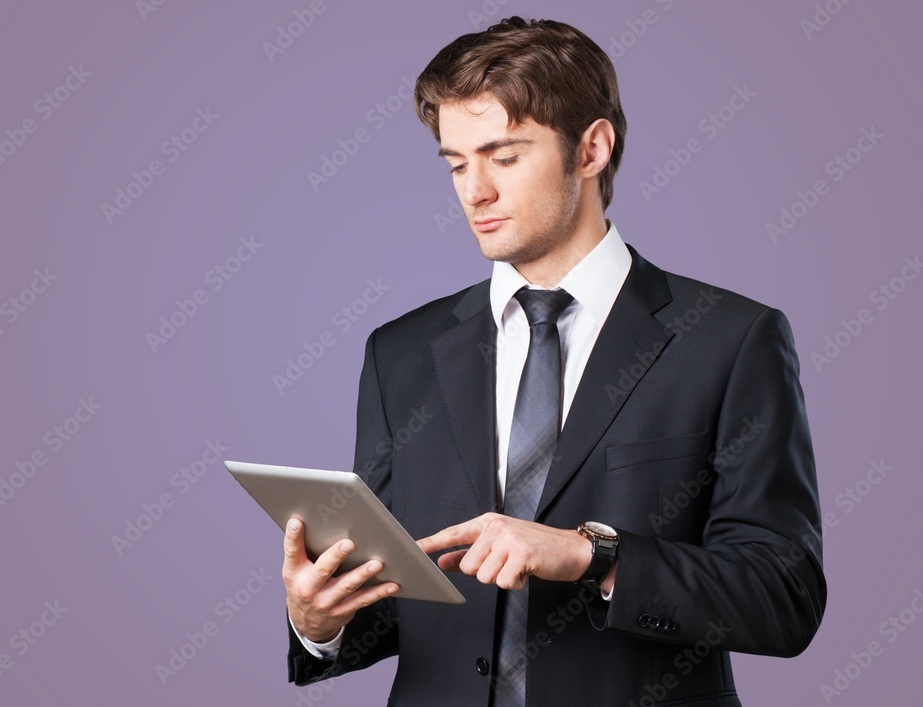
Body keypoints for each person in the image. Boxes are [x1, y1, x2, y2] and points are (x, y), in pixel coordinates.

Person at [281, 16, 826, 707]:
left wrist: (592, 556)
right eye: (456, 163)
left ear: (592, 148)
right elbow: (398, 596)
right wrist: (319, 621)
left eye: (503, 157)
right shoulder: (401, 352)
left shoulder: (730, 340)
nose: (472, 191)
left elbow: (783, 593)